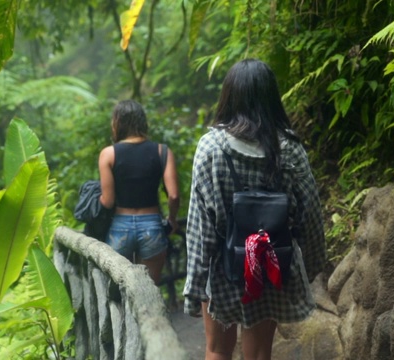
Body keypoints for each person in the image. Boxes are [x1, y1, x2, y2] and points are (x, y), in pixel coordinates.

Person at [183, 59, 327, 360]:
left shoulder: (211, 148)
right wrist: (311, 266)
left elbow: (200, 227)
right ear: (271, 98)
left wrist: (195, 287)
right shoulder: (290, 148)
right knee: (260, 353)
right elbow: (310, 214)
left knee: (217, 350)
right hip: (270, 264)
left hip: (223, 266)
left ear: (228, 97)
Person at [98, 99, 180, 284]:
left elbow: (108, 201)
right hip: (152, 225)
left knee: (119, 290)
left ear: (117, 122)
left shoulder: (108, 154)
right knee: (150, 289)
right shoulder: (162, 151)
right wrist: (172, 220)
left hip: (120, 226)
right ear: (142, 121)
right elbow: (174, 195)